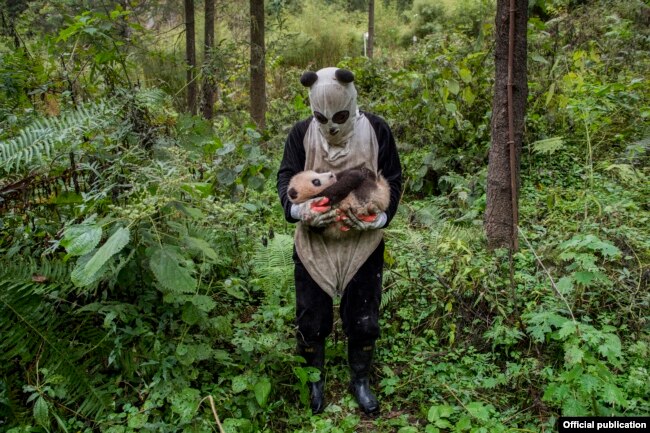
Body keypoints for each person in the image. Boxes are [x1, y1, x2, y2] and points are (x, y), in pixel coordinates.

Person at [277, 67, 402, 416]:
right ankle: (315, 380)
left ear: (352, 101)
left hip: (362, 245)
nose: (331, 126)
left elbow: (393, 177)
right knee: (311, 318)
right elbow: (286, 178)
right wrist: (299, 212)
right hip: (314, 243)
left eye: (340, 117)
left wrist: (380, 218)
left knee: (364, 318)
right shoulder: (301, 133)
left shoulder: (377, 130)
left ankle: (359, 379)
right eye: (322, 117)